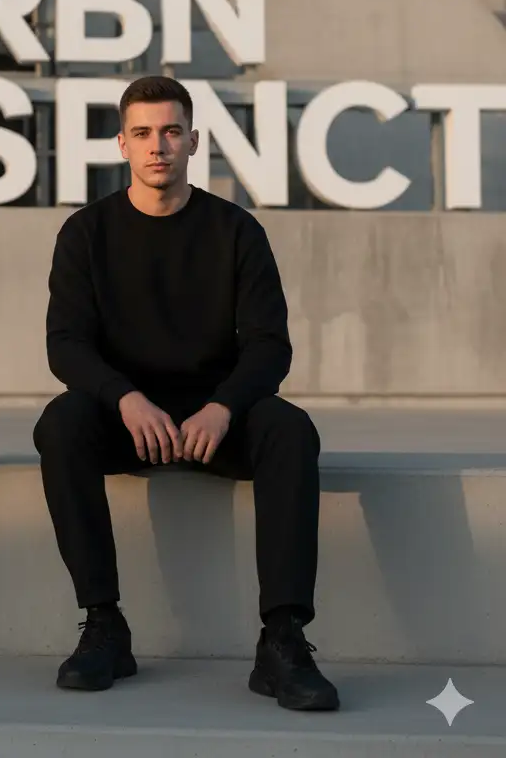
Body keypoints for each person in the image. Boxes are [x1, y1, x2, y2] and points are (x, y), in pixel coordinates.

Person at [33, 75, 338, 711]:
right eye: (142, 133)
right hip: (129, 418)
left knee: (290, 429)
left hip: (214, 420)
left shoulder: (236, 231)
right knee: (60, 424)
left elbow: (269, 345)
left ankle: (282, 639)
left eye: (171, 132)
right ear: (121, 144)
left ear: (194, 140)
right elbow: (66, 344)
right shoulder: (86, 234)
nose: (158, 146)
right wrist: (123, 396)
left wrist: (225, 406)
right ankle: (104, 625)